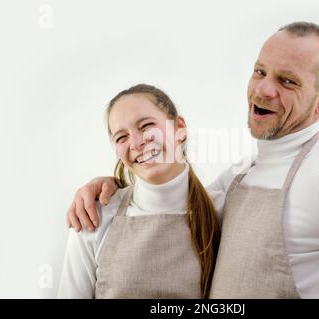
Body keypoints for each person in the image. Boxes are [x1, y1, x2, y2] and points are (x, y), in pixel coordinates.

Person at [66, 22, 319, 298]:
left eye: (287, 80)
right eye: (260, 71)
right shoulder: (239, 176)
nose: (264, 89)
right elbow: (171, 203)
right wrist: (110, 185)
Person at [58, 84, 220, 298]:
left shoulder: (223, 210)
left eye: (146, 126)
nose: (136, 142)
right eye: (121, 137)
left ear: (179, 128)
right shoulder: (95, 217)